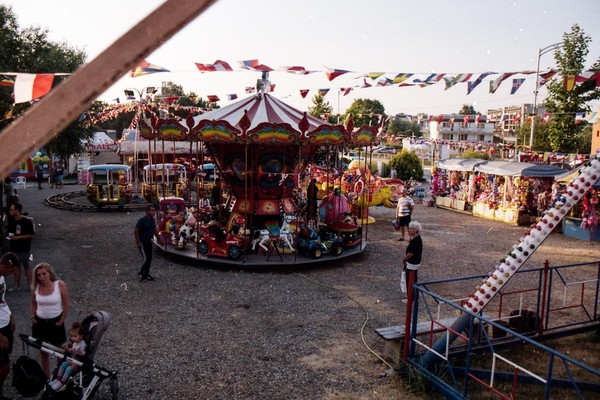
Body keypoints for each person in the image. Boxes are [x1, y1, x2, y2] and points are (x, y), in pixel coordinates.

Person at [30, 263, 70, 377]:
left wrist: (61, 321)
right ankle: (46, 378)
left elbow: (66, 304)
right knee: (43, 352)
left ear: (49, 273)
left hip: (56, 321)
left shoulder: (59, 285)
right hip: (40, 322)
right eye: (39, 275)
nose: (42, 277)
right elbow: (33, 303)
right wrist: (33, 317)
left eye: (44, 274)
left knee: (59, 352)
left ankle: (59, 377)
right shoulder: (36, 287)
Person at [48, 321, 86, 391]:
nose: (73, 338)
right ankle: (58, 379)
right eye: (71, 336)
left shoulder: (82, 344)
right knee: (63, 365)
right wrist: (66, 346)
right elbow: (72, 345)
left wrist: (75, 352)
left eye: (75, 336)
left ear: (81, 336)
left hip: (78, 362)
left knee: (68, 369)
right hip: (73, 359)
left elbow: (83, 354)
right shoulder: (75, 342)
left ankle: (61, 383)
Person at [7, 203, 35, 289]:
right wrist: (10, 237)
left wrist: (18, 237)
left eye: (11, 209)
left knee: (26, 266)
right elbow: (10, 232)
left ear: (17, 210)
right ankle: (17, 285)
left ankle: (30, 285)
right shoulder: (11, 221)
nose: (10, 211)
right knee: (16, 267)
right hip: (13, 247)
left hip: (24, 248)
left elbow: (31, 235)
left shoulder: (26, 221)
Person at [0, 258, 16, 400]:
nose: (11, 273)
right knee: (4, 367)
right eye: (10, 270)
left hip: (5, 324)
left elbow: (2, 300)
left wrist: (10, 314)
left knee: (4, 362)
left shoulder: (1, 278)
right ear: (3, 266)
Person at [134, 205, 160, 281]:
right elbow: (136, 231)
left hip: (149, 241)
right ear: (147, 211)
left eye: (154, 210)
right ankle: (141, 272)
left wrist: (159, 239)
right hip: (143, 242)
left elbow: (154, 230)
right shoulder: (142, 220)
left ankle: (146, 273)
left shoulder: (152, 220)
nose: (153, 212)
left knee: (150, 258)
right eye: (152, 210)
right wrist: (138, 242)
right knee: (145, 258)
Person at [402, 221, 423, 303]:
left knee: (410, 280)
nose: (409, 230)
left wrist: (404, 259)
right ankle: (412, 297)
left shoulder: (415, 240)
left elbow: (410, 254)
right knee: (413, 279)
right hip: (414, 262)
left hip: (412, 263)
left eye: (411, 228)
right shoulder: (416, 238)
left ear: (415, 230)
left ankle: (411, 298)